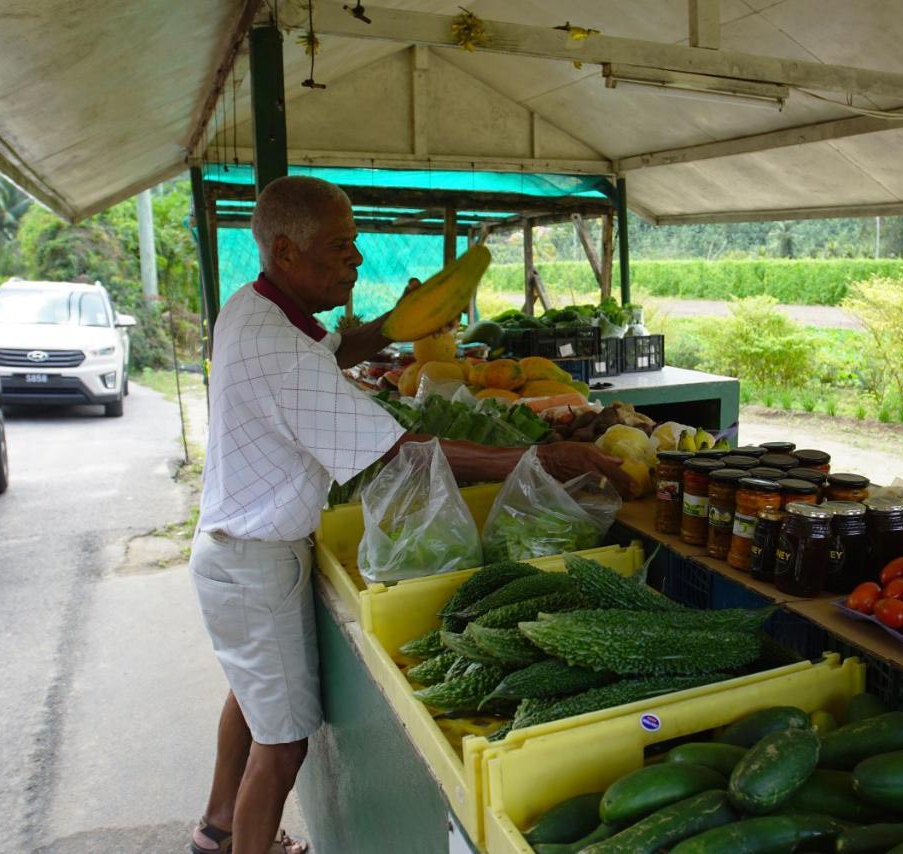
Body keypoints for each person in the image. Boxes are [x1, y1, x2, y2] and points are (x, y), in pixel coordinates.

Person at [189, 175, 634, 854]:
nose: (358, 258)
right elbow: (400, 451)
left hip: (236, 552)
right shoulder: (276, 347)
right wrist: (537, 457)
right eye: (340, 247)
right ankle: (242, 842)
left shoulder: (255, 311)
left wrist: (392, 327)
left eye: (356, 242)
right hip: (254, 561)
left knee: (252, 701)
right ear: (284, 251)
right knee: (283, 747)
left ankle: (217, 827)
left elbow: (333, 355)